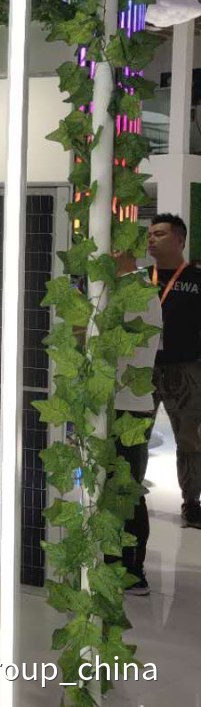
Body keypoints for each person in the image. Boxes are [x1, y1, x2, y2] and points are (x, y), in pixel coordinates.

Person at [110, 251, 162, 594]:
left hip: (128, 406)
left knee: (127, 489)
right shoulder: (124, 290)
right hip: (117, 404)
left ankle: (131, 568)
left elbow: (121, 348)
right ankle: (116, 561)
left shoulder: (138, 293)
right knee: (118, 488)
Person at [146, 212, 201, 529]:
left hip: (186, 368)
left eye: (160, 234)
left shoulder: (196, 279)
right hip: (143, 369)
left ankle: (192, 502)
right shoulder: (139, 279)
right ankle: (130, 497)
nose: (152, 239)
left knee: (190, 439)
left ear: (180, 240)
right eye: (150, 234)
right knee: (134, 435)